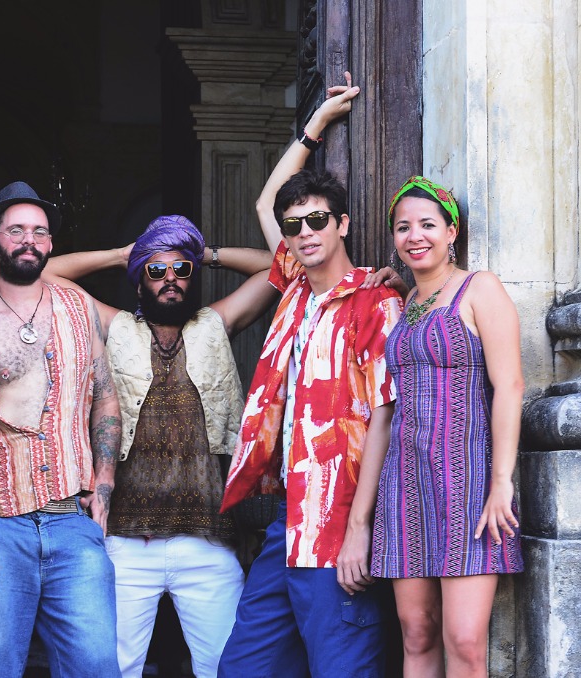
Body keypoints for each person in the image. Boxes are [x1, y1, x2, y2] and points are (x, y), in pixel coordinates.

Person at [217, 75, 404, 677]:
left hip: (339, 522)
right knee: (243, 668)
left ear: (341, 224)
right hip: (287, 521)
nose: (304, 233)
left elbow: (384, 417)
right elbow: (265, 201)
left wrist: (360, 530)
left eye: (317, 220)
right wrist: (316, 124)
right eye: (294, 225)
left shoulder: (375, 302)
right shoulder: (295, 286)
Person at [43, 216, 275, 677]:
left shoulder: (215, 323)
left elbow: (278, 267)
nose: (170, 278)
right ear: (139, 281)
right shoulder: (114, 327)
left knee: (226, 669)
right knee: (114, 670)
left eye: (181, 269)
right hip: (126, 541)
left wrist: (205, 253)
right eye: (155, 270)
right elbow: (46, 274)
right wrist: (121, 255)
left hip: (208, 541)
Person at [0, 181, 122, 677]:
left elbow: (106, 397)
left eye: (39, 232)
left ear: (50, 244)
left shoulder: (80, 311)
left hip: (71, 521)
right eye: (16, 230)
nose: (29, 240)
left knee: (96, 666)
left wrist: (104, 485)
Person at [370, 176, 524, 676]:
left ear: (451, 231)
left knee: (464, 639)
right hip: (405, 483)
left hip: (469, 483)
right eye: (403, 227)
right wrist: (398, 289)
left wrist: (501, 483)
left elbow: (511, 386)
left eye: (428, 224)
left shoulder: (480, 288)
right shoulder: (407, 304)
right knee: (416, 632)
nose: (414, 236)